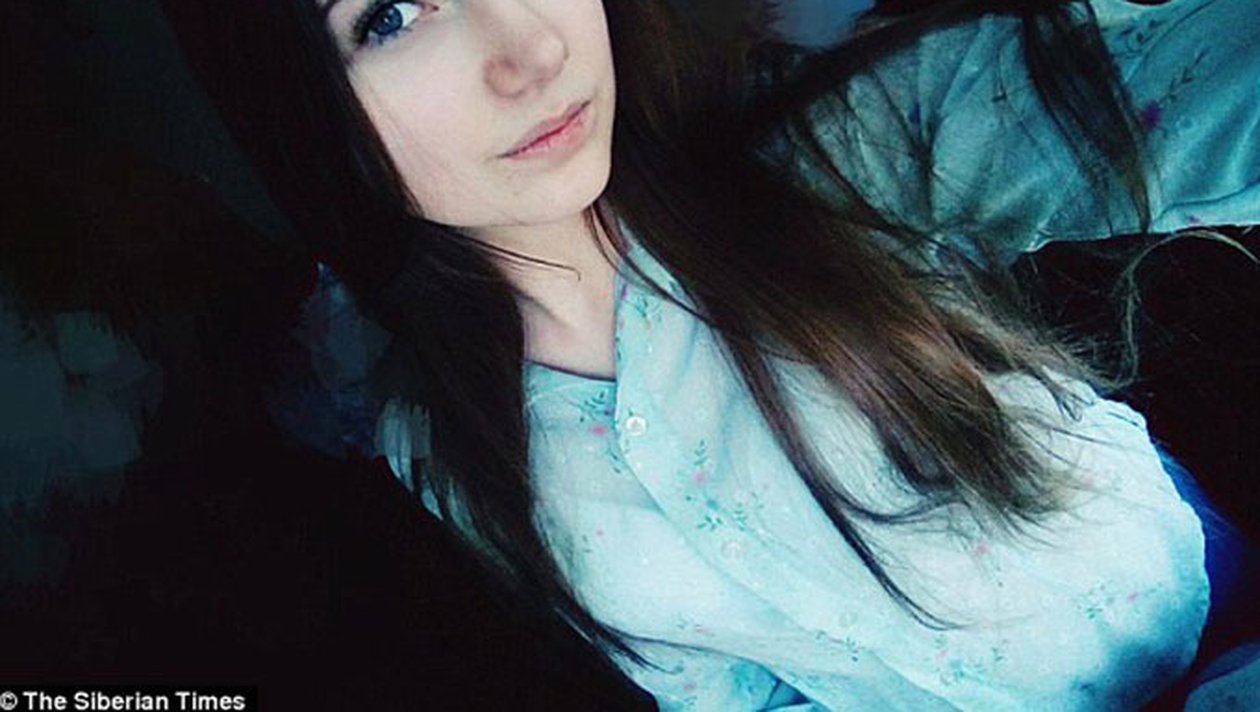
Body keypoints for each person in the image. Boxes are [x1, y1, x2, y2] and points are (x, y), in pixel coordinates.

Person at [161, 0, 1259, 708]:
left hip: (1194, 604)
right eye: (392, 15)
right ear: (299, 110)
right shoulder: (443, 441)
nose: (534, 51)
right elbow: (721, 685)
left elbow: (1156, 89)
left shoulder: (828, 159)